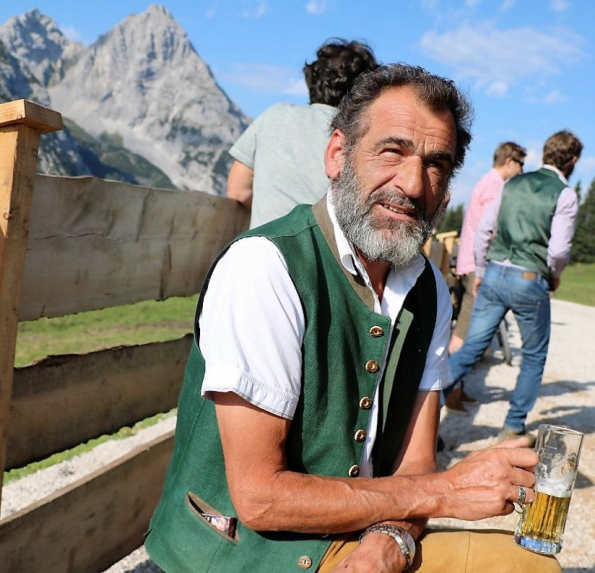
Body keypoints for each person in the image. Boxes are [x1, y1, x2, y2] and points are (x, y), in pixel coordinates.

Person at [146, 65, 560, 573]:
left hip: (359, 540)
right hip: (245, 554)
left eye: (436, 164)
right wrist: (447, 492)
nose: (412, 184)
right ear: (338, 154)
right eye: (393, 151)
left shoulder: (428, 288)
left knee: (531, 567)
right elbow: (259, 498)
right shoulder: (265, 267)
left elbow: (416, 464)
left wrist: (392, 540)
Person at [448, 130, 582, 444]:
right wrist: (554, 275)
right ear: (573, 160)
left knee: (470, 348)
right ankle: (511, 427)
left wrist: (481, 270)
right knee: (533, 357)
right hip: (528, 278)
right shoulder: (565, 194)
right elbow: (559, 250)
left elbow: (483, 231)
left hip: (494, 272)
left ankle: (426, 407)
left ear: (546, 153)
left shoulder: (511, 184)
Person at [226, 39, 378, 228]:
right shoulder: (361, 137)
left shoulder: (275, 114)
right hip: (329, 254)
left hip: (264, 247)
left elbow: (238, 191)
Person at [444, 142, 526, 414]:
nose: (522, 170)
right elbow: (489, 231)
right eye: (521, 164)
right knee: (464, 336)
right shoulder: (495, 187)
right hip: (477, 266)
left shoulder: (486, 183)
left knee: (465, 331)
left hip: (470, 263)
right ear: (510, 161)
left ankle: (455, 390)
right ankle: (444, 395)